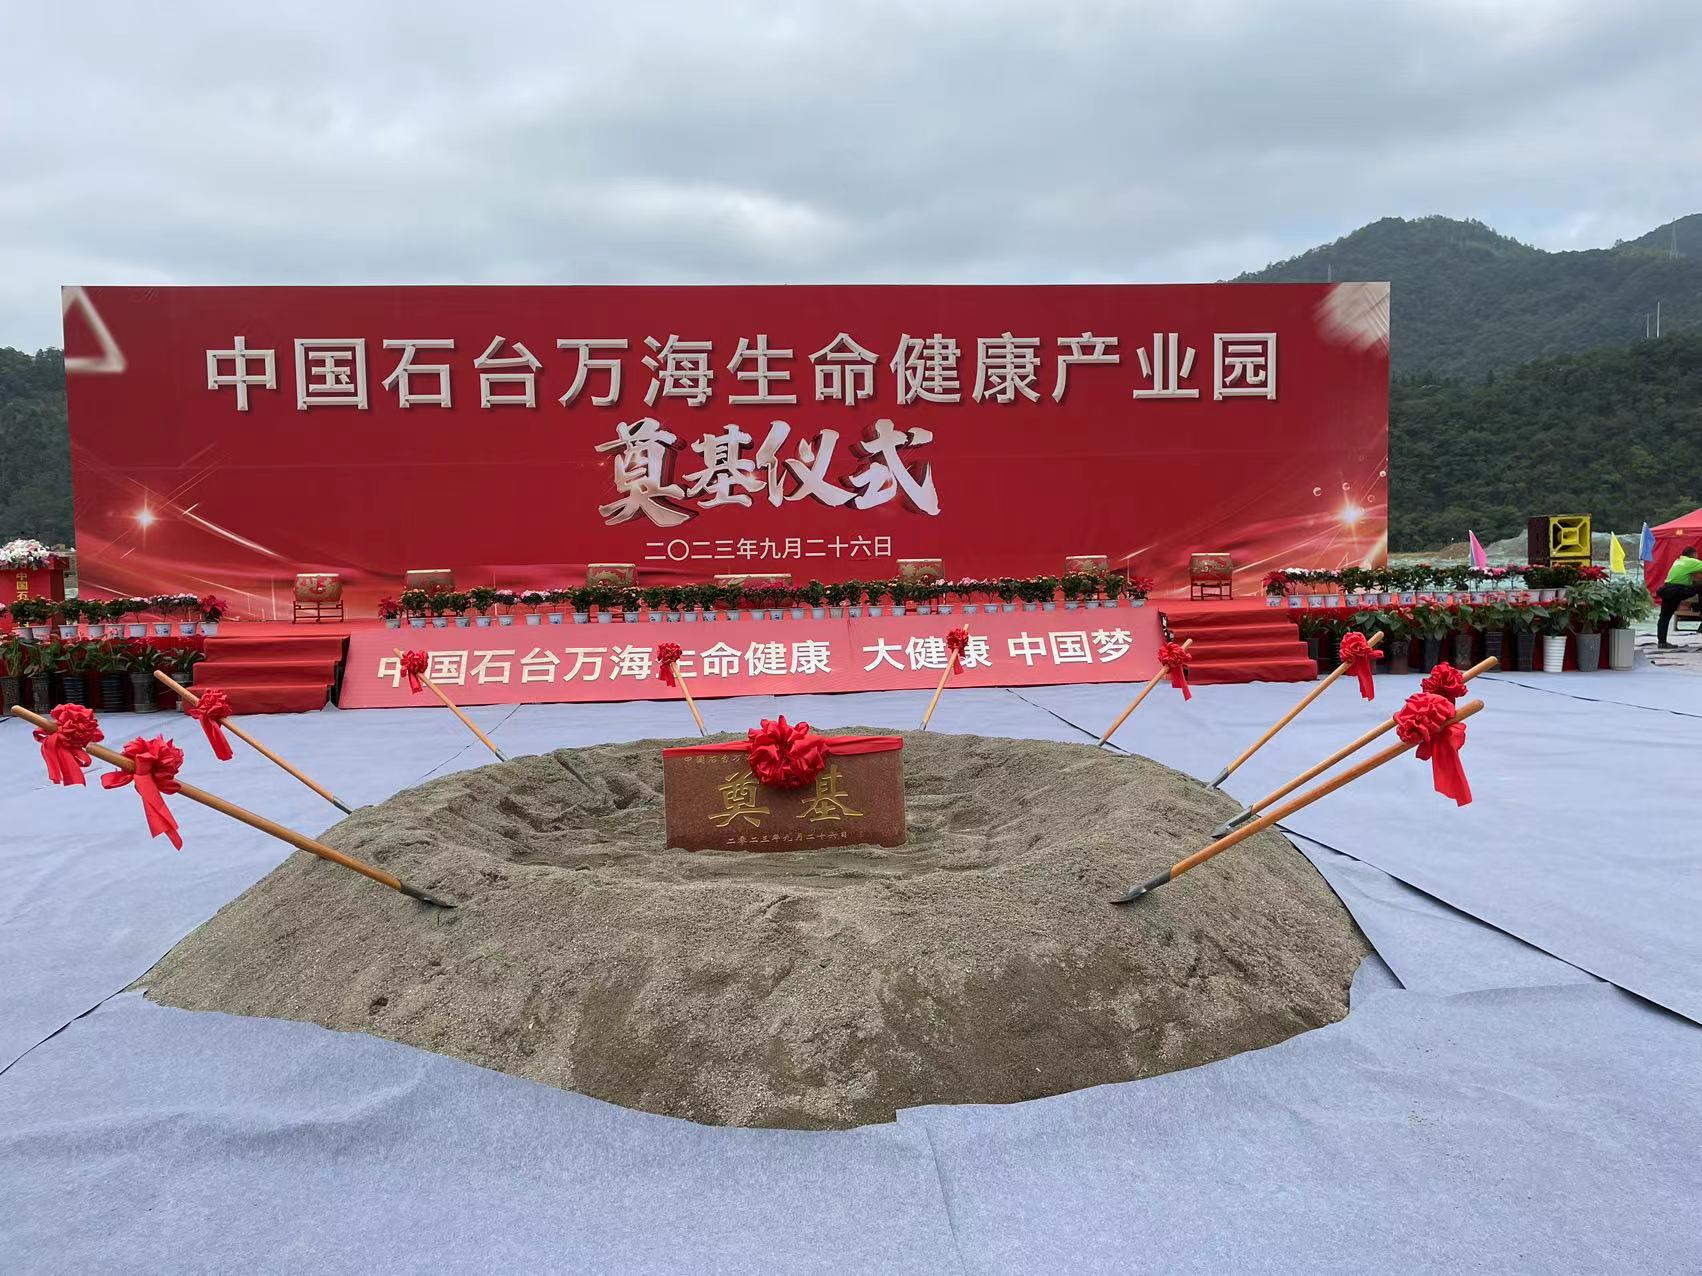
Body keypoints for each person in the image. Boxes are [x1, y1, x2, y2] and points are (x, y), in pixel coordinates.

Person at [1657, 545, 1702, 648]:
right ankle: (1700, 612)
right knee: (1700, 586)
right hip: (1677, 589)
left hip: (1667, 589)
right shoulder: (1691, 561)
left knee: (1664, 617)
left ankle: (1661, 642)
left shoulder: (1678, 561)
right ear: (1693, 554)